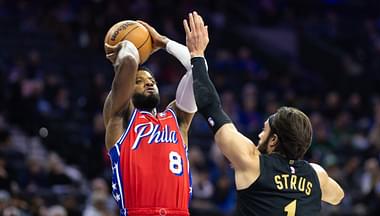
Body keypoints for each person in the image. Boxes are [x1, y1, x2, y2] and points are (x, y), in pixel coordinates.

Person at [183, 11, 345, 215]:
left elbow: (210, 107)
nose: (260, 135)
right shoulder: (316, 175)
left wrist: (197, 54)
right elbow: (338, 196)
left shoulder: (252, 162)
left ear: (274, 140)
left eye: (264, 130)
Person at [103, 21, 197, 216]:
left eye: (152, 81)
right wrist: (125, 45)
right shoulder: (121, 116)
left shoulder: (177, 118)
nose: (148, 83)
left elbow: (198, 71)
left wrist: (164, 42)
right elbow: (128, 60)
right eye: (139, 81)